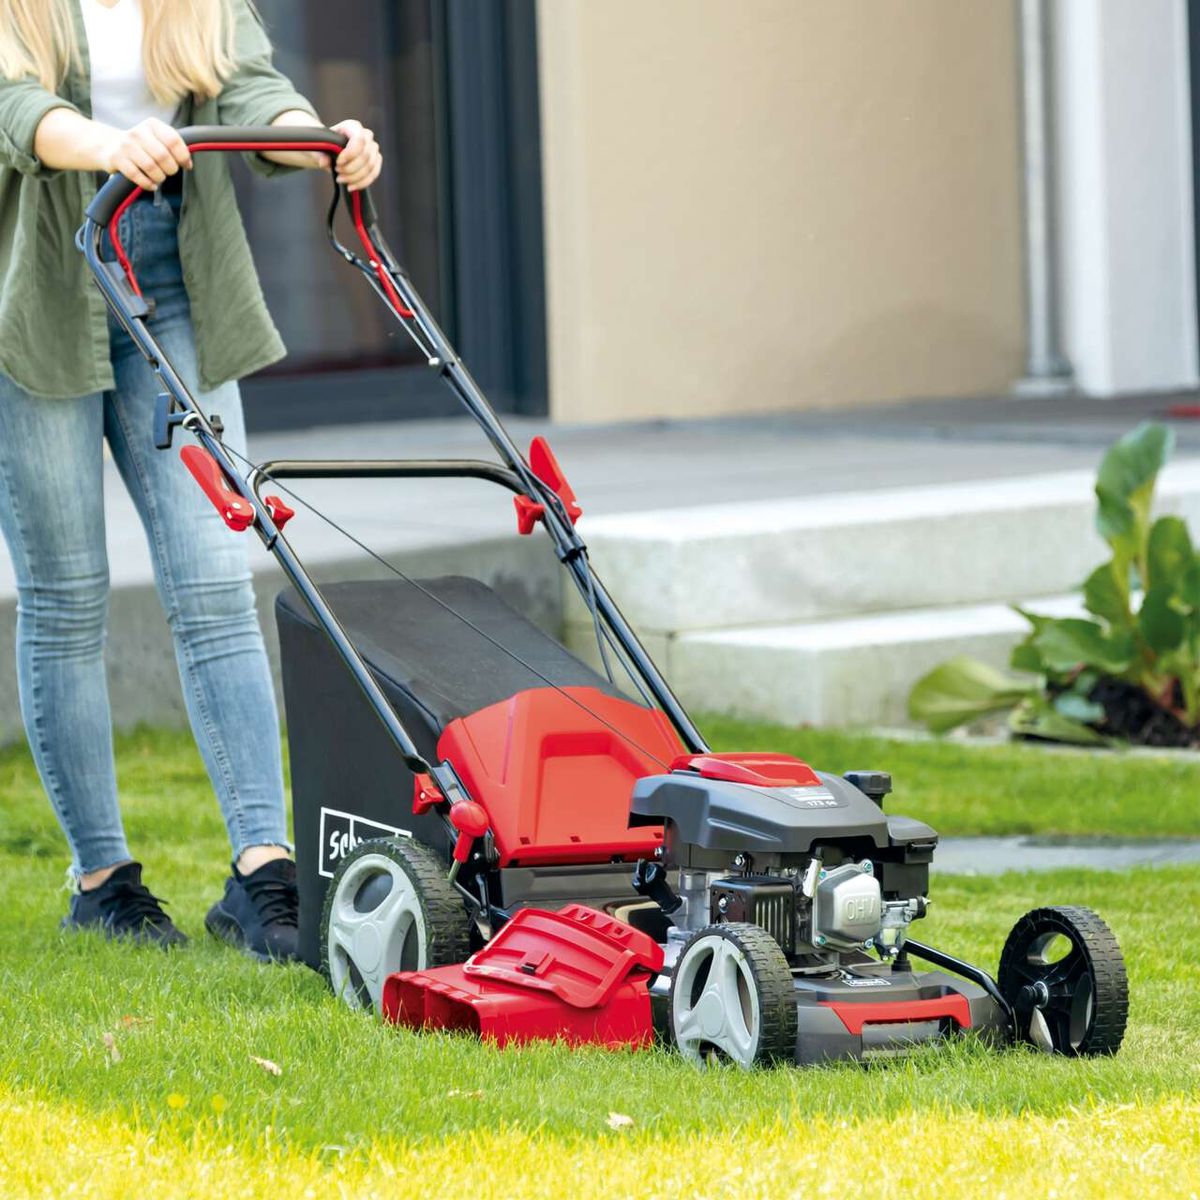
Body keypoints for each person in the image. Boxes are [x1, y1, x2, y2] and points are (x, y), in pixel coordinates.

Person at [0, 0, 382, 959]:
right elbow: (17, 109)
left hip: (174, 272)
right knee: (67, 592)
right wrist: (108, 144)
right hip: (40, 283)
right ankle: (103, 881)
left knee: (215, 579)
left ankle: (263, 872)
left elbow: (250, 92)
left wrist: (323, 143)